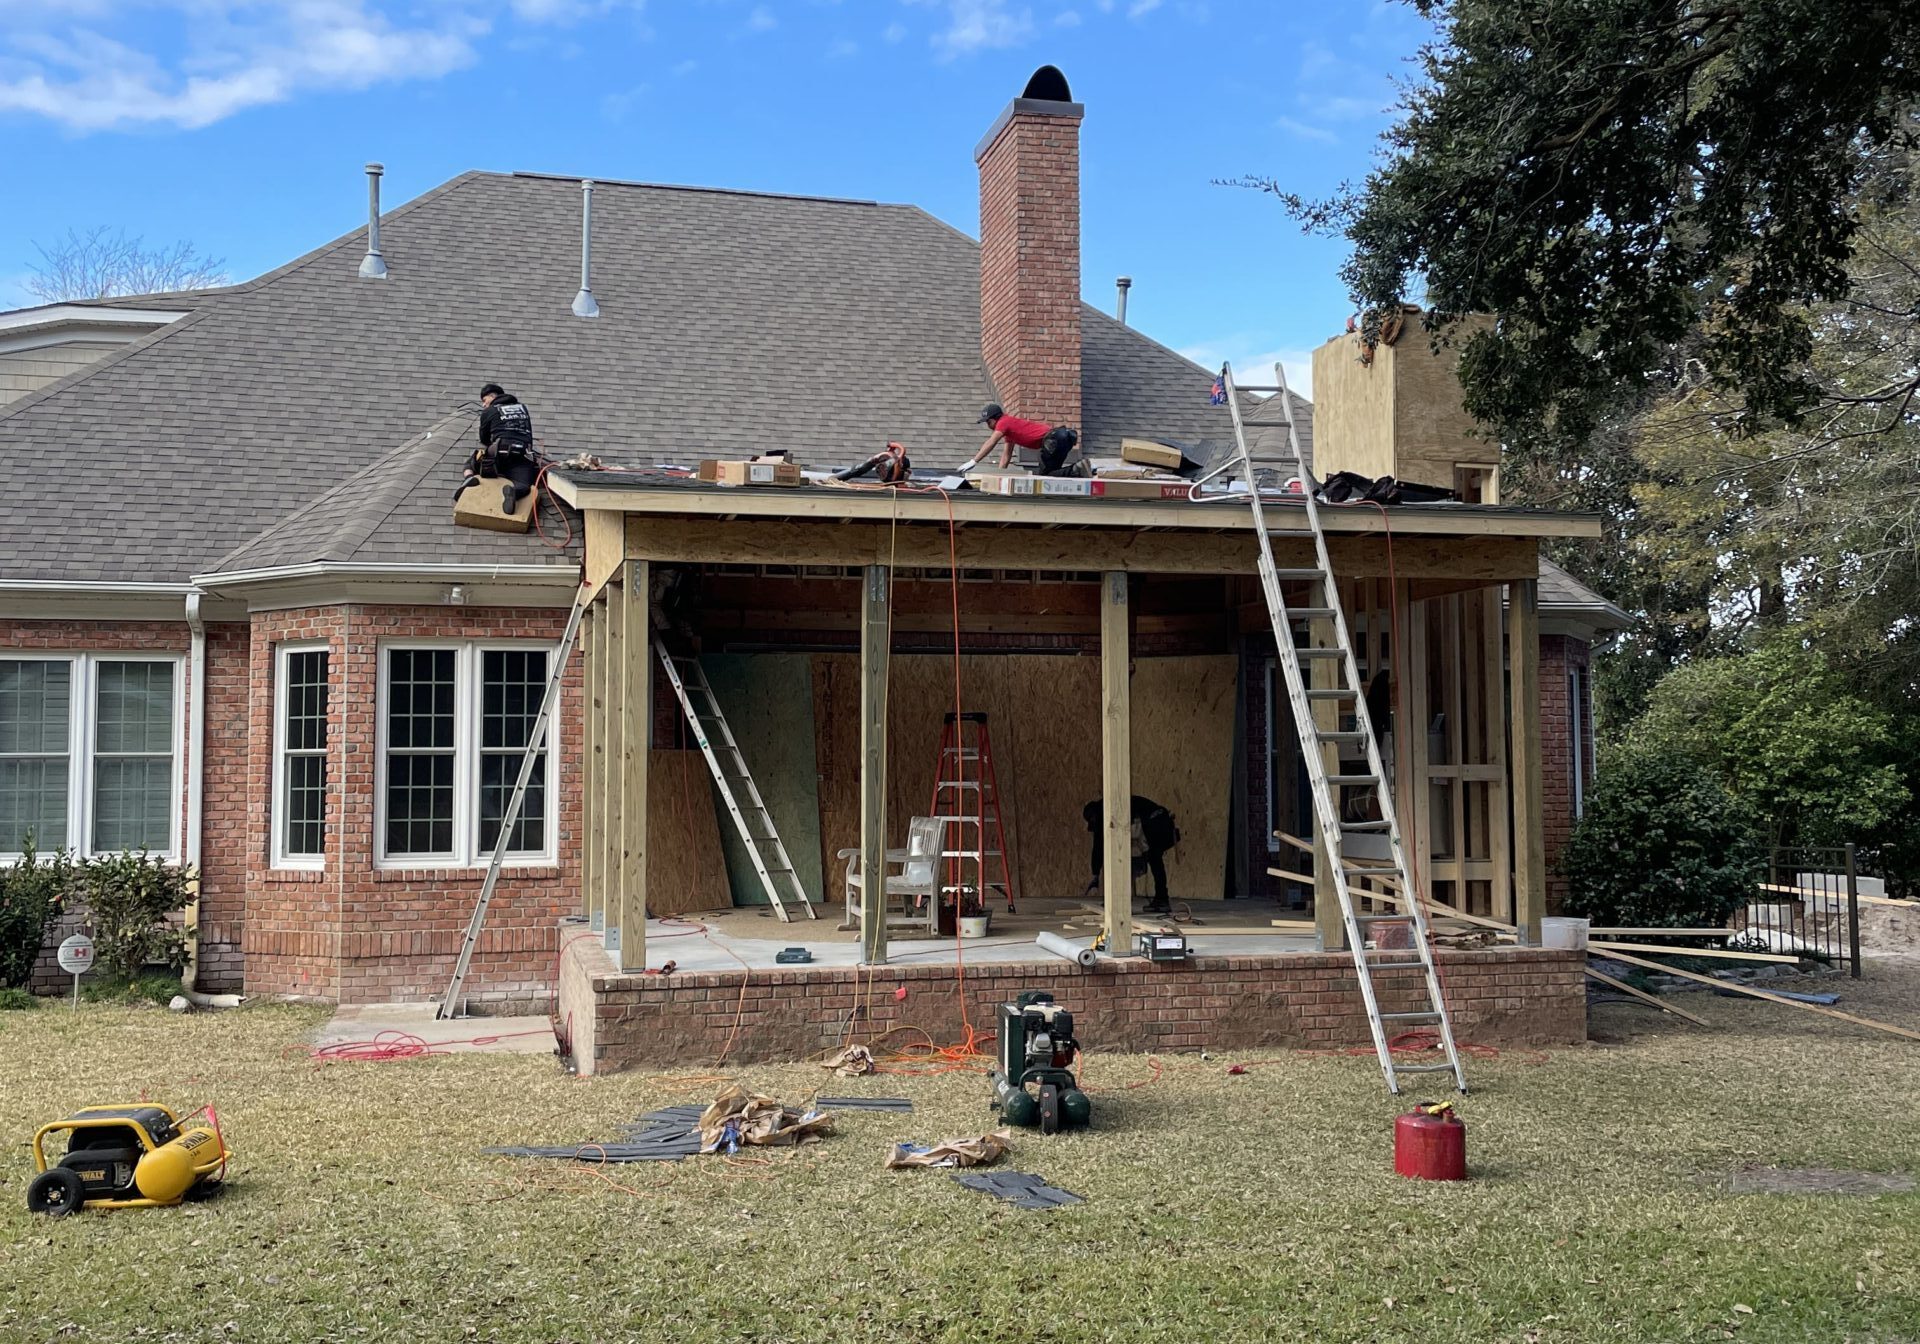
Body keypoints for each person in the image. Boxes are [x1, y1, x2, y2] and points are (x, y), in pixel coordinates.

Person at [1081, 795, 1181, 915]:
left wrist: (1095, 874)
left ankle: (1153, 900)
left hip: (1153, 823)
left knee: (1148, 858)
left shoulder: (1104, 811)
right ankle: (1160, 899)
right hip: (1158, 820)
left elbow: (1098, 844)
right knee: (1153, 859)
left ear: (1093, 817)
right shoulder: (1109, 806)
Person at [455, 383, 541, 514]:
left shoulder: (489, 411)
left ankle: (469, 478)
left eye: (484, 400)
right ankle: (514, 491)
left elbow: (484, 439)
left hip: (499, 453)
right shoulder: (523, 408)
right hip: (523, 454)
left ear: (492, 396)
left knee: (473, 460)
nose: (484, 404)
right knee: (525, 485)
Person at [960, 404, 1083, 477]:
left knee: (1046, 477)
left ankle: (1078, 469)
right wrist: (999, 476)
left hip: (1053, 439)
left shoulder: (1004, 422)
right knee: (1052, 475)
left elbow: (991, 442)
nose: (988, 426)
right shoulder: (1009, 431)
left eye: (988, 422)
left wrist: (973, 461)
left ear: (995, 418)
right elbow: (1006, 456)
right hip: (1061, 438)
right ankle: (1080, 471)